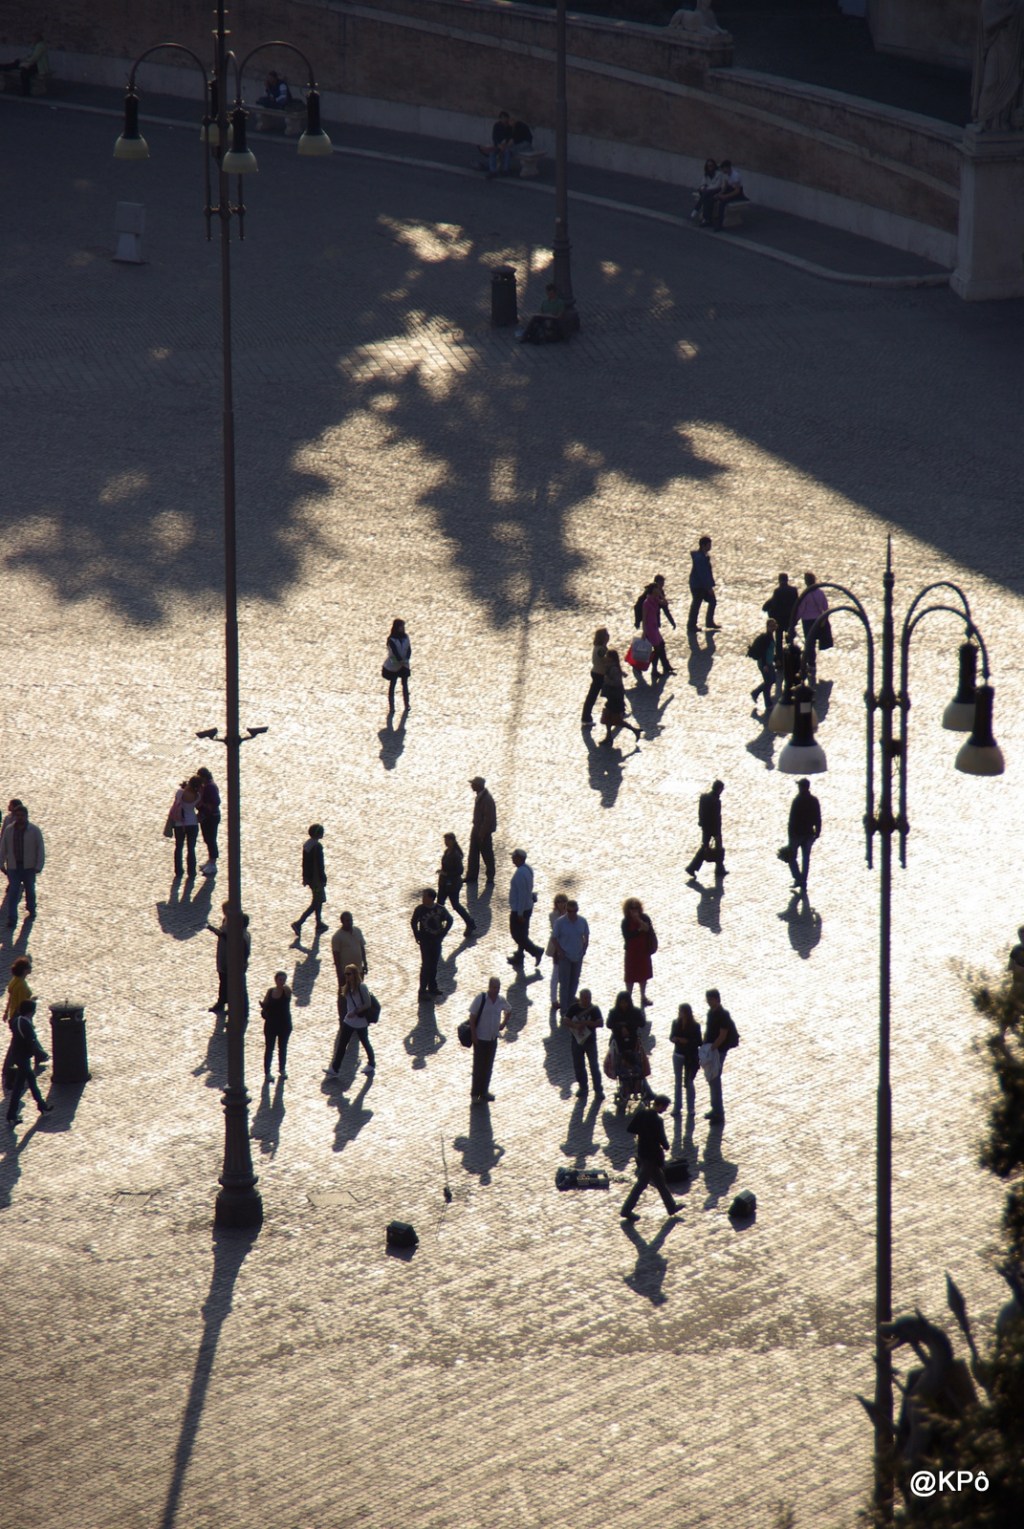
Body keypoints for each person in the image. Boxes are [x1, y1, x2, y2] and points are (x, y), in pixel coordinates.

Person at [619, 1095, 684, 1221]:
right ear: (659, 1105)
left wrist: (643, 1133)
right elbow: (662, 1138)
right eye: (664, 1107)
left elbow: (631, 1128)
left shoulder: (641, 1113)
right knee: (641, 1184)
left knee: (660, 1182)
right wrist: (666, 1146)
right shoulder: (657, 1120)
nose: (664, 1110)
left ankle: (671, 1207)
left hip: (642, 1152)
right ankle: (626, 1210)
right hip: (652, 1156)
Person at [4, 1001, 53, 1126]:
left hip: (18, 1057)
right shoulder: (26, 1025)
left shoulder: (16, 1021)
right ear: (32, 1012)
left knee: (31, 1081)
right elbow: (32, 1042)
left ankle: (42, 1105)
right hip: (23, 1058)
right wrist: (42, 1054)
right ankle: (11, 1115)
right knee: (18, 1088)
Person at [0, 803, 45, 928]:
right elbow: (3, 847)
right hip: (14, 867)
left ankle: (31, 908)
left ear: (26, 816)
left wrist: (38, 865)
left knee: (30, 890)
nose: (19, 817)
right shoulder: (9, 830)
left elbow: (40, 849)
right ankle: (12, 919)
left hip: (29, 867)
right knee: (13, 892)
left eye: (22, 815)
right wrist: (1, 862)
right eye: (17, 815)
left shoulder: (34, 831)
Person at [468, 977, 511, 1102]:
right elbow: (472, 1016)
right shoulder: (480, 999)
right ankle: (475, 1094)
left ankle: (484, 1091)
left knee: (488, 1066)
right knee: (478, 1067)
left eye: (498, 987)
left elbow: (509, 1010)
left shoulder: (500, 1000)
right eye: (494, 987)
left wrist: (503, 1024)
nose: (496, 990)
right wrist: (473, 1034)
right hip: (480, 1038)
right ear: (489, 987)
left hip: (492, 1038)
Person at [330, 963, 375, 1078]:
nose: (346, 976)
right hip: (349, 1021)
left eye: (349, 974)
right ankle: (335, 1068)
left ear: (354, 974)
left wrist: (355, 1012)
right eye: (345, 974)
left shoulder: (362, 987)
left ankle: (371, 1063)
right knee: (342, 1044)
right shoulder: (347, 987)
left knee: (365, 1043)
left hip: (360, 1021)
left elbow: (368, 1003)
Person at [206, 904, 252, 1015]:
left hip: (234, 965)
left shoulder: (242, 936)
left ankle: (239, 1009)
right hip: (225, 960)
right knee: (224, 983)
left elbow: (242, 950)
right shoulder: (236, 932)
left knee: (237, 987)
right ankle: (222, 1003)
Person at [704, 988, 739, 1124]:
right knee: (713, 1079)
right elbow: (708, 1031)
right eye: (708, 999)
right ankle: (715, 1109)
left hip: (719, 1051)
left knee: (715, 1079)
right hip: (713, 1049)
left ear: (717, 999)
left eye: (711, 999)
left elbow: (722, 1035)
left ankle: (718, 1112)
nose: (709, 1002)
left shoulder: (723, 1015)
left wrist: (711, 1049)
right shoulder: (711, 1013)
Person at [411, 888, 453, 999]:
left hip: (436, 941)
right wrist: (417, 934)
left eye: (425, 896)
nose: (422, 899)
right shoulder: (420, 909)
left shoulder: (440, 909)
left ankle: (432, 987)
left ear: (431, 898)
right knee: (426, 965)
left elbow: (450, 920)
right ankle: (422, 990)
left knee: (433, 965)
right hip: (425, 942)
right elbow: (413, 922)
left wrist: (443, 933)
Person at [563, 989, 605, 1101]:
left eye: (588, 998)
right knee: (578, 1066)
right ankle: (583, 1088)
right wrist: (575, 1026)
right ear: (580, 998)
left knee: (594, 1066)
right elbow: (565, 1020)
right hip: (577, 1041)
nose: (587, 1000)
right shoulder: (574, 1008)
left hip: (590, 1042)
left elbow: (601, 1023)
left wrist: (586, 1023)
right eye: (585, 998)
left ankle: (598, 1089)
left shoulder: (594, 1009)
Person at [552, 900, 590, 1015]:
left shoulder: (582, 921)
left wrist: (584, 949)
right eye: (569, 911)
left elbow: (586, 935)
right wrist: (560, 952)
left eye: (574, 911)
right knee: (564, 983)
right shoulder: (560, 922)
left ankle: (570, 1005)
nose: (572, 913)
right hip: (565, 957)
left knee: (574, 981)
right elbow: (554, 938)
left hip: (578, 956)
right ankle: (564, 1011)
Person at [685, 779, 727, 880]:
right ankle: (693, 867)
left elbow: (701, 812)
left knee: (706, 847)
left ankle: (719, 868)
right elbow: (716, 818)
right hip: (713, 829)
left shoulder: (704, 797)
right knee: (716, 849)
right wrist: (717, 833)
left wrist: (701, 822)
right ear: (719, 789)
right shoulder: (716, 801)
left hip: (705, 827)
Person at [507, 849, 543, 967]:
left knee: (517, 934)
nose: (512, 859)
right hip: (527, 906)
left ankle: (536, 951)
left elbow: (522, 895)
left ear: (519, 859)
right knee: (522, 933)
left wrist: (520, 914)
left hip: (519, 909)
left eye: (514, 857)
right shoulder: (528, 869)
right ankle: (519, 955)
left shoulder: (520, 874)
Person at [292, 824, 328, 937]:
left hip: (311, 878)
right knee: (317, 901)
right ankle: (299, 923)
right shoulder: (317, 847)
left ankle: (319, 923)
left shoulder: (307, 845)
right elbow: (320, 864)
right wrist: (323, 877)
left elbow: (304, 863)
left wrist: (305, 877)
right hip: (317, 879)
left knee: (318, 900)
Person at [599, 649, 641, 746]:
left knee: (616, 720)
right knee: (607, 718)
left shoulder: (614, 669)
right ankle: (609, 737)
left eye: (607, 656)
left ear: (612, 659)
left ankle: (634, 730)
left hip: (615, 698)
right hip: (612, 697)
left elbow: (616, 683)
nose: (606, 658)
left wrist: (607, 678)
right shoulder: (610, 667)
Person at [786, 778, 822, 892]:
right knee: (806, 858)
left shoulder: (797, 801)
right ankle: (803, 881)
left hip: (797, 833)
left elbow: (792, 819)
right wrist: (818, 832)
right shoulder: (814, 800)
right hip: (809, 833)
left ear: (801, 787)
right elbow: (818, 817)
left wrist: (790, 835)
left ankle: (798, 878)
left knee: (791, 857)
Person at [791, 572, 829, 676]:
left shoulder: (806, 594)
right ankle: (811, 662)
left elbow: (801, 609)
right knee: (815, 641)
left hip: (807, 621)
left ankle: (811, 664)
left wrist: (794, 621)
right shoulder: (820, 593)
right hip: (818, 620)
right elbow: (825, 607)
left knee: (809, 643)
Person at [622, 897, 657, 1007]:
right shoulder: (626, 922)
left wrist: (639, 921)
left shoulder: (645, 917)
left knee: (643, 975)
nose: (635, 911)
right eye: (632, 909)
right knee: (630, 976)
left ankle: (643, 996)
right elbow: (627, 936)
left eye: (636, 908)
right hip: (632, 953)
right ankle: (628, 998)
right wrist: (638, 930)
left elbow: (648, 929)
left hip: (643, 951)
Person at [438, 832, 475, 934]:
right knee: (439, 904)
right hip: (444, 883)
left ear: (453, 841)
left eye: (448, 840)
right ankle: (438, 924)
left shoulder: (456, 855)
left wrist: (446, 873)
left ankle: (470, 922)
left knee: (455, 905)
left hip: (453, 884)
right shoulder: (447, 852)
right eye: (445, 840)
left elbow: (460, 871)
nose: (446, 842)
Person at [670, 1003, 702, 1118]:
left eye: (681, 1011)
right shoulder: (676, 1023)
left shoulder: (695, 1026)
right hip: (678, 1055)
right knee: (678, 1082)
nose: (679, 1014)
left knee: (689, 1082)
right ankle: (677, 1107)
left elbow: (699, 1041)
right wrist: (676, 1039)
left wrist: (686, 1041)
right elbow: (671, 1037)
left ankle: (691, 1107)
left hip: (690, 1056)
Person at [260, 971, 293, 1081]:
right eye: (280, 979)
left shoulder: (286, 991)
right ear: (275, 980)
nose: (282, 982)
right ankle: (267, 1072)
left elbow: (289, 992)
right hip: (271, 1024)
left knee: (282, 1047)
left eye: (284, 980)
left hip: (284, 1024)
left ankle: (282, 1069)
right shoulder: (270, 991)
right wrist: (263, 1006)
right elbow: (265, 1003)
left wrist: (283, 986)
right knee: (269, 1048)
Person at [466, 776, 497, 882]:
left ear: (478, 786)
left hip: (483, 832)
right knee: (473, 854)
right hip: (477, 829)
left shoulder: (487, 799)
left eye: (473, 784)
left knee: (487, 855)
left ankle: (490, 876)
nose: (471, 786)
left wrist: (482, 833)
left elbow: (488, 818)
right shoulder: (481, 796)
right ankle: (471, 876)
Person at [642, 582, 675, 680]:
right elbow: (644, 618)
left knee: (661, 645)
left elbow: (665, 603)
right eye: (657, 588)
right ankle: (654, 670)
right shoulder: (646, 603)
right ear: (653, 590)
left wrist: (661, 595)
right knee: (657, 649)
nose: (659, 589)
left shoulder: (656, 600)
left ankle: (658, 668)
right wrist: (644, 631)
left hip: (655, 627)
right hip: (650, 629)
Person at [169, 777, 201, 879]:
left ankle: (179, 871)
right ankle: (191, 871)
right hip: (193, 823)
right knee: (191, 848)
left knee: (179, 847)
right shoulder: (198, 796)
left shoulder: (180, 793)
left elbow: (176, 803)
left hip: (179, 824)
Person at [687, 535, 718, 631]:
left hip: (700, 585)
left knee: (709, 602)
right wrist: (709, 588)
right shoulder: (700, 558)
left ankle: (707, 622)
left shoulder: (703, 557)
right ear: (703, 545)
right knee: (697, 604)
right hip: (698, 586)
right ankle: (692, 625)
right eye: (709, 545)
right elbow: (703, 574)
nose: (710, 546)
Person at [581, 627, 611, 727]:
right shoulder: (601, 650)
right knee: (609, 694)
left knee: (594, 696)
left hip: (597, 673)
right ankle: (617, 713)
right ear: (603, 637)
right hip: (600, 675)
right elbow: (606, 662)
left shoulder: (598, 647)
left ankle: (586, 717)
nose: (608, 636)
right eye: (606, 635)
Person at [545, 892, 569, 1018]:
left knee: (567, 975)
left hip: (568, 948)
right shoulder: (553, 916)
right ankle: (554, 999)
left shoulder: (569, 915)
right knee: (556, 974)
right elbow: (558, 928)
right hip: (557, 948)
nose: (562, 904)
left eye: (564, 902)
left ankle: (566, 997)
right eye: (559, 902)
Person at [748, 617, 778, 711]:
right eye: (771, 626)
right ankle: (767, 703)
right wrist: (765, 665)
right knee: (768, 682)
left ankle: (755, 693)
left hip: (769, 663)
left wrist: (775, 659)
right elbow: (763, 652)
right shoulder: (766, 638)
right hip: (764, 664)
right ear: (767, 627)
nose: (773, 627)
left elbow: (770, 651)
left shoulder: (770, 636)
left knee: (772, 679)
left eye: (774, 625)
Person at [196, 766, 221, 877]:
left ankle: (213, 863)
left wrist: (204, 806)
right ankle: (210, 860)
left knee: (211, 839)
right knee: (207, 838)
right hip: (207, 817)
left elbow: (215, 802)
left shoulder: (210, 787)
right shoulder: (207, 786)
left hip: (211, 817)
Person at [332, 911, 368, 986]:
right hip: (347, 973)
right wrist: (340, 974)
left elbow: (362, 948)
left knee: (359, 990)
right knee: (345, 994)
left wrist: (365, 963)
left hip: (359, 969)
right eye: (347, 921)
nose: (350, 922)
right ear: (342, 922)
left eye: (351, 920)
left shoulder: (358, 931)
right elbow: (336, 957)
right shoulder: (337, 937)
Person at [382, 618, 411, 711]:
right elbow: (394, 652)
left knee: (405, 685)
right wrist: (400, 660)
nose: (402, 628)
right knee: (393, 684)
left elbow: (409, 649)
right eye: (400, 626)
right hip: (393, 664)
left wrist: (406, 658)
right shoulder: (392, 639)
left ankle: (407, 704)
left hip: (404, 664)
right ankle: (392, 706)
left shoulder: (406, 637)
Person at [709, 159, 744, 229]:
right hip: (729, 190)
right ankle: (709, 219)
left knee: (722, 203)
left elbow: (737, 191)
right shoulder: (726, 175)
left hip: (736, 193)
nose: (722, 171)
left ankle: (719, 224)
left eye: (723, 169)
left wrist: (725, 196)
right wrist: (719, 194)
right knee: (713, 198)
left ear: (727, 168)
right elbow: (725, 188)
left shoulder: (735, 176)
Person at [692, 157, 723, 224]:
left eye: (711, 165)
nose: (710, 167)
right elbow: (702, 183)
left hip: (716, 190)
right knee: (707, 198)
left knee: (705, 194)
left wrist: (707, 188)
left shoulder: (719, 174)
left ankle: (696, 209)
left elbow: (717, 185)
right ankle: (706, 219)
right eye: (708, 166)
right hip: (707, 192)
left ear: (714, 166)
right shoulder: (706, 174)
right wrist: (703, 188)